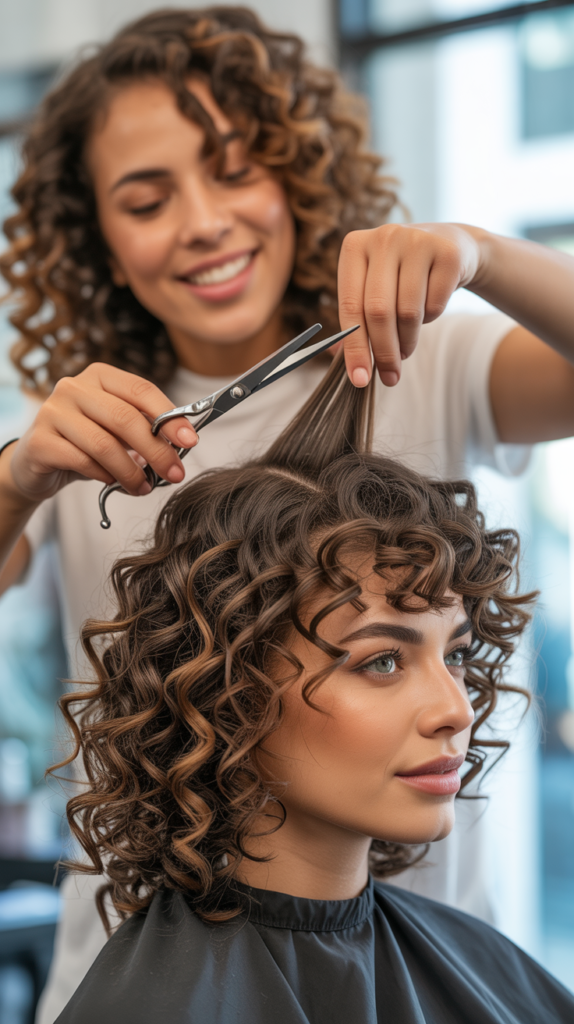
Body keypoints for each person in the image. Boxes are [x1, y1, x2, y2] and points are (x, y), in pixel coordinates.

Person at [0, 5, 573, 1019]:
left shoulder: (422, 358)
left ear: (298, 180)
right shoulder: (83, 429)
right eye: (147, 200)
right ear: (99, 240)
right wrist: (19, 477)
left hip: (417, 961)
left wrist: (481, 253)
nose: (203, 221)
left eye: (236, 171)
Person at [52, 356, 573, 1024]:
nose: (456, 710)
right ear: (227, 691)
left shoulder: (480, 961)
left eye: (457, 655)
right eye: (383, 662)